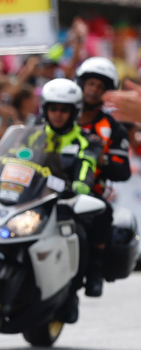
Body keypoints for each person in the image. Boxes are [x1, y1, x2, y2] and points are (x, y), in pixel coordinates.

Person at [27, 78, 102, 323]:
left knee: (78, 234)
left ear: (74, 112)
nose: (58, 115)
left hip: (65, 204)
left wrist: (80, 185)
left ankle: (72, 292)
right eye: (53, 109)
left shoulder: (86, 141)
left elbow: (86, 167)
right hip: (30, 201)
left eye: (64, 110)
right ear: (45, 110)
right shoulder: (32, 136)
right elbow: (9, 159)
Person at [75, 57, 131, 297]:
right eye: (91, 84)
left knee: (103, 212)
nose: (94, 90)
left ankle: (95, 270)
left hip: (90, 190)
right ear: (81, 84)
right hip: (49, 186)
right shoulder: (60, 114)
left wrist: (102, 160)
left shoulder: (113, 128)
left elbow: (123, 170)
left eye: (100, 87)